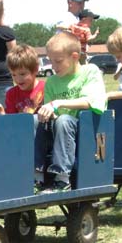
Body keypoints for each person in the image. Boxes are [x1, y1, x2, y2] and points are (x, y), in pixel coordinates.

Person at [34, 33, 107, 193]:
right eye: (50, 61)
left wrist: (58, 103)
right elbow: (51, 113)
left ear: (74, 57)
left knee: (64, 120)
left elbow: (91, 102)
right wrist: (48, 113)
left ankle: (62, 179)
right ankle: (37, 176)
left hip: (86, 130)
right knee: (35, 120)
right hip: (59, 130)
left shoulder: (90, 72)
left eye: (58, 61)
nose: (53, 66)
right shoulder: (52, 81)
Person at [0, 44, 45, 115]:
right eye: (13, 75)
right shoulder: (11, 94)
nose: (18, 79)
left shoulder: (46, 88)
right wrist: (1, 111)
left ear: (35, 70)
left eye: (22, 74)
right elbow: (11, 120)